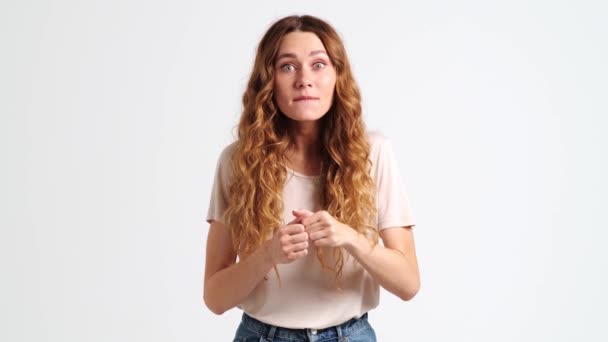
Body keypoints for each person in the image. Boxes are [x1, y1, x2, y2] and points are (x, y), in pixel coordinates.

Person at [204, 14, 419, 342]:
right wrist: (268, 255)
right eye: (287, 66)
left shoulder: (373, 154)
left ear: (337, 76)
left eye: (318, 64)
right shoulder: (238, 162)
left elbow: (408, 284)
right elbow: (215, 298)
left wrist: (350, 238)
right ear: (268, 81)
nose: (304, 79)